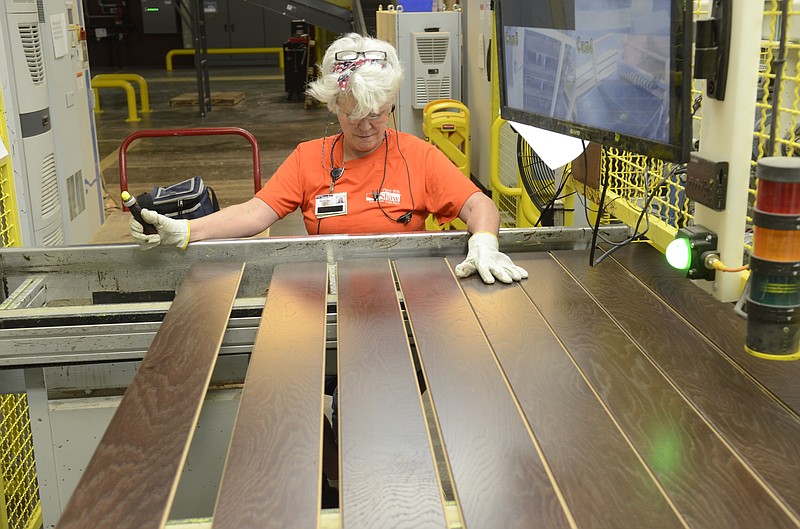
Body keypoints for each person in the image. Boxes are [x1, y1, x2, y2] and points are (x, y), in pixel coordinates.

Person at [129, 33, 527, 285]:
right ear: (334, 106)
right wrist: (187, 230)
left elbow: (478, 203)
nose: (367, 126)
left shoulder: (417, 156)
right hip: (331, 291)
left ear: (391, 106)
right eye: (353, 115)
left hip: (410, 292)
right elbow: (255, 213)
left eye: (378, 114)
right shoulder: (308, 159)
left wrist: (485, 241)